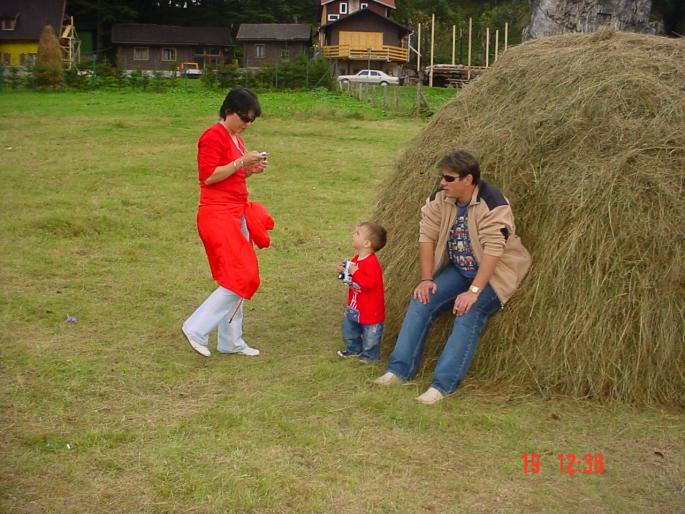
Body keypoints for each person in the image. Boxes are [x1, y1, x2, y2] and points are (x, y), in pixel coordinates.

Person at [374, 150, 531, 404]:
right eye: (442, 177)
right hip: (460, 269)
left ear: (467, 180)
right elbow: (426, 237)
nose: (441, 183)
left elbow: (494, 250)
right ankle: (398, 370)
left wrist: (474, 291)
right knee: (422, 300)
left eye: (448, 178)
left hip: (493, 275)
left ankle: (442, 385)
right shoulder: (440, 199)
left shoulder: (493, 203)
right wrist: (426, 279)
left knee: (468, 312)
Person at [182, 88, 274, 357]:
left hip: (236, 212)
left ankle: (231, 341)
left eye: (251, 120)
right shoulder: (213, 136)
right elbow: (209, 176)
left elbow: (232, 174)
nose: (247, 124)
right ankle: (196, 328)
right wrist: (240, 163)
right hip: (217, 215)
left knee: (237, 277)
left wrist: (249, 169)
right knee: (242, 276)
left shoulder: (236, 139)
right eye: (244, 118)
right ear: (228, 111)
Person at [336, 222, 387, 364]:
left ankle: (370, 357)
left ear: (366, 243)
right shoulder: (356, 259)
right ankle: (353, 349)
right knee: (349, 329)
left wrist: (355, 272)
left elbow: (368, 284)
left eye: (357, 233)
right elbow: (352, 277)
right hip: (355, 306)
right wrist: (344, 271)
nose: (353, 234)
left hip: (371, 310)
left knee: (371, 335)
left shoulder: (372, 264)